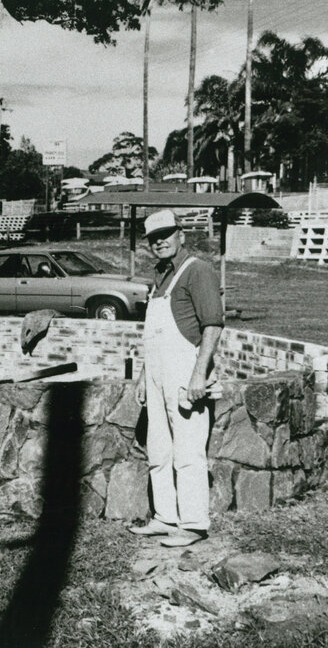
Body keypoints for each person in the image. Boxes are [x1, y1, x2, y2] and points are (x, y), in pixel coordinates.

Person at [129, 209, 223, 548]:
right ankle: (165, 517)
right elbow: (153, 335)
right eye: (154, 238)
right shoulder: (160, 277)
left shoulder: (197, 271)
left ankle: (194, 523)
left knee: (188, 449)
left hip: (186, 373)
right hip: (156, 374)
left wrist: (200, 374)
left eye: (166, 234)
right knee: (159, 448)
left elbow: (212, 325)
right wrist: (143, 375)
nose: (160, 242)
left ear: (180, 234)